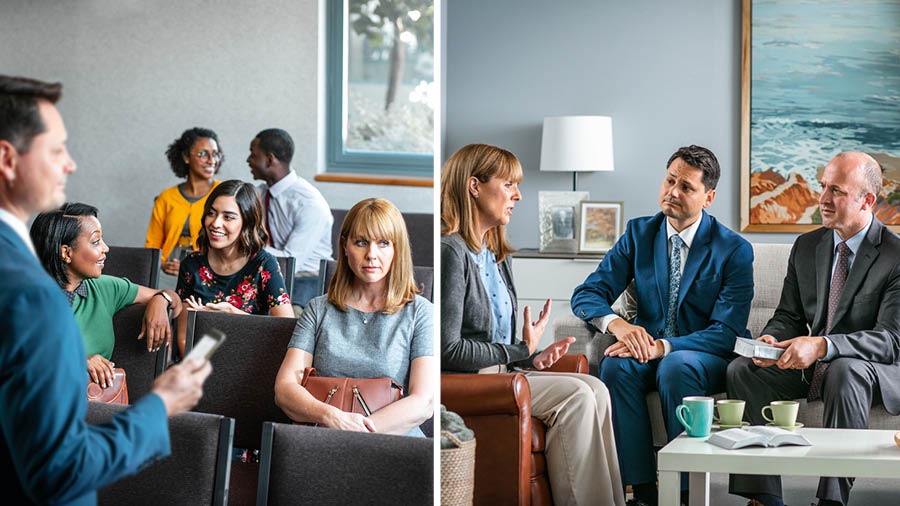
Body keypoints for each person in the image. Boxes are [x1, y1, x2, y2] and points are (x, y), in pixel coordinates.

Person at [0, 75, 211, 505]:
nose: (70, 164)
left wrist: (161, 300)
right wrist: (160, 406)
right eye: (57, 149)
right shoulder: (31, 294)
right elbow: (61, 471)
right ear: (7, 158)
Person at [441, 143, 625, 506]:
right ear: (474, 186)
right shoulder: (452, 252)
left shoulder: (497, 255)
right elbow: (448, 348)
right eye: (508, 184)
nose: (518, 195)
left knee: (596, 388)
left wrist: (532, 357)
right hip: (471, 381)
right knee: (575, 397)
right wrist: (518, 351)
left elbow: (504, 345)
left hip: (504, 372)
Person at [571, 144, 754, 506]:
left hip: (704, 355)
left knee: (674, 365)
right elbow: (587, 293)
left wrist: (663, 346)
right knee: (616, 365)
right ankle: (641, 491)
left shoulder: (734, 249)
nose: (672, 192)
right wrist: (619, 326)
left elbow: (726, 331)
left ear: (709, 197)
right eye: (670, 180)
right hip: (644, 348)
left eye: (686, 187)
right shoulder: (639, 234)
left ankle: (685, 491)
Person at [727, 152, 900, 506]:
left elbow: (891, 340)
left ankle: (831, 501)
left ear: (867, 200)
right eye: (822, 186)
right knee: (743, 370)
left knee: (845, 369)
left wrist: (822, 345)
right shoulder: (807, 246)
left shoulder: (895, 256)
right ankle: (764, 497)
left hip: (874, 370)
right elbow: (788, 315)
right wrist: (772, 339)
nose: (822, 199)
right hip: (815, 364)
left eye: (836, 190)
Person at [273, 198, 433, 436]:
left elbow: (423, 402)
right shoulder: (318, 309)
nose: (371, 254)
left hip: (393, 439)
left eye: (383, 243)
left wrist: (358, 434)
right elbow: (285, 389)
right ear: (345, 245)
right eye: (361, 242)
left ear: (397, 249)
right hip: (322, 432)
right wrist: (331, 417)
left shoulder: (420, 312)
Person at [30, 202, 185, 389]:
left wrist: (161, 301)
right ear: (66, 252)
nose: (106, 248)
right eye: (96, 241)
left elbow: (175, 301)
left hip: (93, 405)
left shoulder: (105, 287)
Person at [175, 179, 294, 355]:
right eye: (211, 213)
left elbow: (287, 328)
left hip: (249, 362)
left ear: (247, 222)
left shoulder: (263, 264)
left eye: (228, 217)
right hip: (199, 365)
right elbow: (184, 338)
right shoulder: (191, 265)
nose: (215, 223)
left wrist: (233, 313)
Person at [247, 128, 333, 309]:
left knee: (289, 319)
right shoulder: (260, 193)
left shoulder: (309, 203)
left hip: (307, 280)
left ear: (269, 159)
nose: (248, 160)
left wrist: (246, 247)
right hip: (268, 274)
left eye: (253, 155)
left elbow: (290, 262)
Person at [145, 127, 223, 280]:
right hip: (166, 274)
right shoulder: (166, 197)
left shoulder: (224, 195)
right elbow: (152, 244)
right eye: (203, 154)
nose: (211, 160)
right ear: (186, 157)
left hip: (210, 274)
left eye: (215, 154)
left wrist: (193, 266)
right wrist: (161, 264)